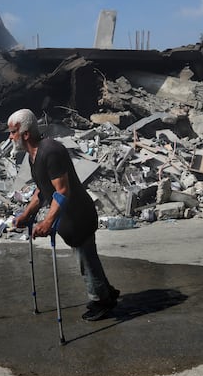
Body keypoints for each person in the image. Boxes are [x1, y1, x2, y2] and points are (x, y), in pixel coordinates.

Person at [7, 109, 120, 321]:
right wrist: (26, 215)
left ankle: (101, 301)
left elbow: (62, 190)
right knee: (87, 257)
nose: (10, 137)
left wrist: (48, 221)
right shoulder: (34, 156)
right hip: (68, 217)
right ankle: (106, 292)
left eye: (13, 132)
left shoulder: (50, 151)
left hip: (78, 215)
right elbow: (42, 189)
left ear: (25, 133)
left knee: (85, 260)